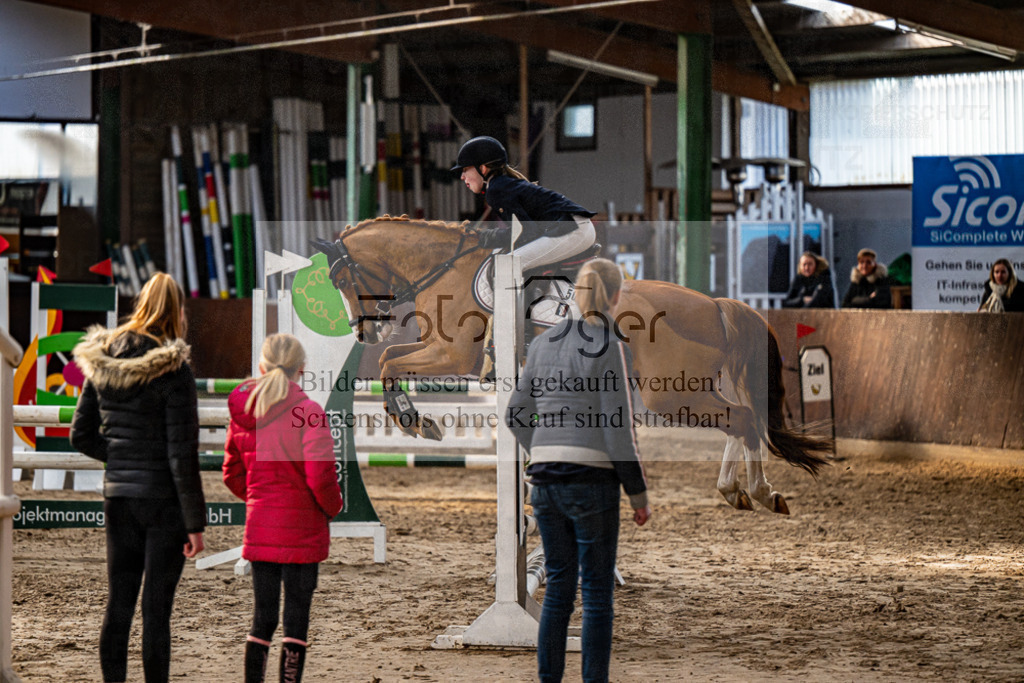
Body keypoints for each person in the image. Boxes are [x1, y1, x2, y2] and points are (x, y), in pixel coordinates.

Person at [507, 258, 651, 683]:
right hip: (591, 484)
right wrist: (638, 495)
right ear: (614, 296)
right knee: (597, 596)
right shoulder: (610, 346)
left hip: (546, 485)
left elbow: (516, 413)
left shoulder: (543, 344)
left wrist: (543, 449)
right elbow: (617, 429)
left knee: (558, 595)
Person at [70, 272, 205, 683]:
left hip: (119, 499)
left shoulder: (103, 361)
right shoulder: (174, 369)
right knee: (156, 610)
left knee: (119, 604)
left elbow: (80, 434)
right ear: (176, 311)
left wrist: (120, 456)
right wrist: (195, 523)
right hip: (162, 503)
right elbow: (182, 454)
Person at [223, 333, 343, 683]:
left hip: (261, 525)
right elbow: (321, 476)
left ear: (261, 366)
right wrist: (332, 509)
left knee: (262, 618)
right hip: (303, 530)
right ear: (302, 370)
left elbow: (232, 473)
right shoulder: (309, 412)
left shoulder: (247, 412)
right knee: (296, 621)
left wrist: (261, 501)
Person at [452, 135, 597, 273]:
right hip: (573, 227)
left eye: (465, 169)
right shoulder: (502, 184)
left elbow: (525, 232)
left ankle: (541, 299)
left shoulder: (496, 190)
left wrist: (489, 236)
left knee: (507, 265)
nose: (462, 176)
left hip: (572, 230)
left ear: (482, 169)